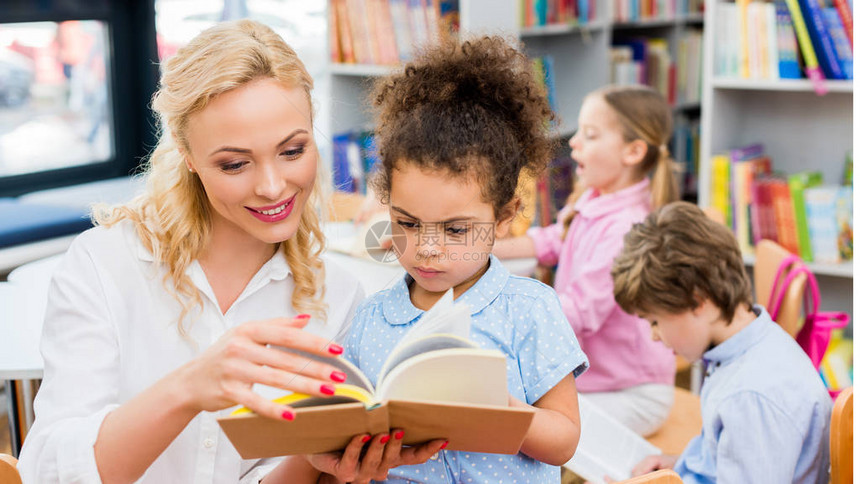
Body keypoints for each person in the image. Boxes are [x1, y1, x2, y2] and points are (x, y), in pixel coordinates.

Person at [18, 20, 443, 484]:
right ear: (186, 153)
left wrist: (315, 463)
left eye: (293, 150)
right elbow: (50, 473)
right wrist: (188, 388)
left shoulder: (337, 294)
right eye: (235, 163)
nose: (272, 186)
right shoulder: (105, 264)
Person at [314, 36, 589, 484]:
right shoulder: (370, 319)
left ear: (504, 217)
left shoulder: (529, 309)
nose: (426, 247)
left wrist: (498, 409)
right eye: (407, 223)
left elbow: (563, 441)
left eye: (455, 230)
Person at [495, 84, 678, 436]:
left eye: (590, 135)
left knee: (519, 425)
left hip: (630, 393)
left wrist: (508, 312)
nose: (574, 142)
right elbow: (551, 241)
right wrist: (473, 243)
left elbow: (579, 312)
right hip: (596, 381)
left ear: (633, 151)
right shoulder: (596, 197)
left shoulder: (627, 228)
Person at [613, 201, 832, 483]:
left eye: (655, 321)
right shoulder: (748, 345)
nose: (654, 335)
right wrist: (679, 464)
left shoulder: (750, 399)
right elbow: (725, 453)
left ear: (697, 301)